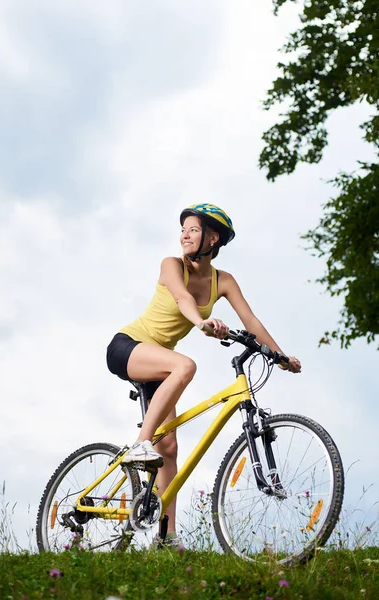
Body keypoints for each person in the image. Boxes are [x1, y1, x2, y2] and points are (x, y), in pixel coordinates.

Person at [106, 203, 302, 547]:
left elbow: (251, 322)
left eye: (193, 230)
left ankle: (166, 536)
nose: (184, 234)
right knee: (185, 365)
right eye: (183, 228)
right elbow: (182, 298)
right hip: (129, 346)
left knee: (168, 447)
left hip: (160, 366)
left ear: (213, 238)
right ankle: (139, 446)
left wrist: (280, 355)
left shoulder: (222, 281)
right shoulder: (172, 265)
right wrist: (202, 323)